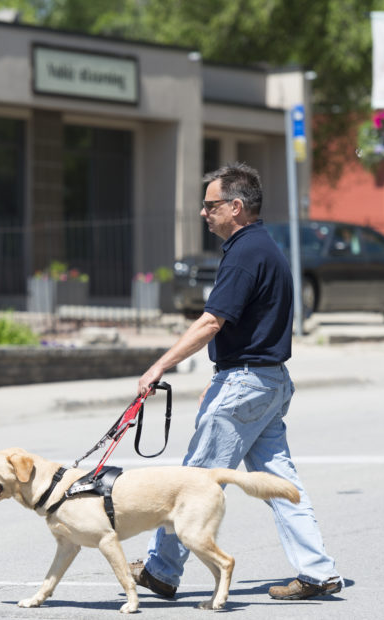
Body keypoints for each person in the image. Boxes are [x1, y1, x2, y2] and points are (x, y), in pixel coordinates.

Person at [131, 162, 342, 601]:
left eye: (210, 205)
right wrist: (226, 374)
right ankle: (318, 571)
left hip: (248, 384)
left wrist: (159, 366)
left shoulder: (245, 253)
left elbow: (211, 322)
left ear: (236, 206)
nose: (203, 212)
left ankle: (162, 571)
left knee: (192, 481)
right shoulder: (264, 246)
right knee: (281, 483)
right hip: (265, 382)